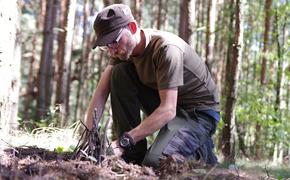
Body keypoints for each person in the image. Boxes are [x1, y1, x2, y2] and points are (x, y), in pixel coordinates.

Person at [86, 4, 220, 168]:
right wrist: (89, 137)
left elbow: (168, 109)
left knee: (157, 163)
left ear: (133, 27)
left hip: (198, 113)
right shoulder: (122, 50)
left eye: (114, 41)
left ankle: (202, 151)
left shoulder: (166, 49)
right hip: (168, 104)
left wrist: (124, 142)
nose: (111, 51)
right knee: (119, 73)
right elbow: (101, 93)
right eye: (106, 45)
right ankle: (133, 156)